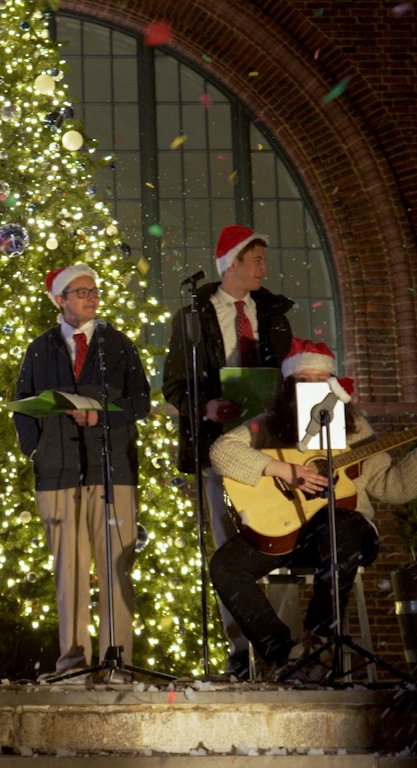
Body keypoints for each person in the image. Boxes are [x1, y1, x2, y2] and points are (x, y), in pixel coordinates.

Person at [208, 339, 417, 677]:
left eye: (322, 380)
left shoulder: (356, 428)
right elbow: (222, 452)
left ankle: (320, 638)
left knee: (338, 520)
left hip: (344, 537)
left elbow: (391, 487)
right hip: (289, 532)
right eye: (305, 381)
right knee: (226, 566)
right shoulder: (270, 425)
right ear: (289, 387)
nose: (315, 388)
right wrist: (285, 470)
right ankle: (283, 651)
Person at [161, 225, 295, 675]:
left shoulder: (274, 315)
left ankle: (285, 645)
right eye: (255, 260)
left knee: (282, 537)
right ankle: (243, 650)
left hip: (273, 445)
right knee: (227, 547)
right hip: (216, 446)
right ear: (231, 264)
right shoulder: (193, 317)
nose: (263, 268)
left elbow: (290, 375)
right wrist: (205, 406)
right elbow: (174, 385)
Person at [14, 263, 153, 674]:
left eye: (94, 290)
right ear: (60, 300)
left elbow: (140, 402)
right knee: (69, 575)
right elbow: (23, 407)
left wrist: (100, 418)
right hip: (57, 474)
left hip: (113, 474)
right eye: (82, 292)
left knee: (116, 571)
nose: (92, 297)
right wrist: (36, 452)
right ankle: (73, 666)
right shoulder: (40, 349)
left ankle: (117, 663)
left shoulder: (119, 346)